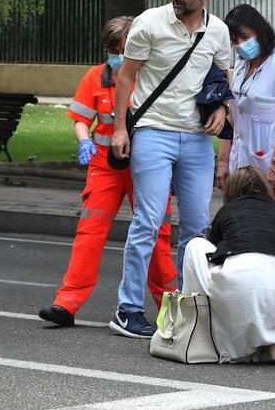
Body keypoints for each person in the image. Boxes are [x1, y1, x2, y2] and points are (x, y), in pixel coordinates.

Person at [107, 0, 233, 338]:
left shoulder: (218, 31)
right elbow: (126, 77)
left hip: (196, 137)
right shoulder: (150, 21)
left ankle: (184, 308)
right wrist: (119, 129)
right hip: (154, 130)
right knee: (148, 220)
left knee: (196, 226)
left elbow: (224, 76)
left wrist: (224, 108)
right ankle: (128, 309)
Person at [38, 17, 176, 327]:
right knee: (89, 233)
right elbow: (80, 118)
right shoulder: (95, 78)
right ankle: (66, 303)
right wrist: (84, 141)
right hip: (105, 166)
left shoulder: (153, 77)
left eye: (123, 49)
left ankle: (172, 307)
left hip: (147, 167)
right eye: (112, 49)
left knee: (157, 237)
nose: (117, 55)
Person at [180, 167, 275, 363]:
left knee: (195, 245)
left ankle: (203, 332)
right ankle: (271, 339)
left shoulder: (227, 211)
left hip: (241, 275)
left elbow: (210, 256)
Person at [218, 4, 275, 190]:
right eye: (234, 40)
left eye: (245, 37)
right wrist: (223, 161)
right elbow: (232, 115)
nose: (240, 45)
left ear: (260, 31)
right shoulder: (241, 62)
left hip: (272, 166)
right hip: (240, 165)